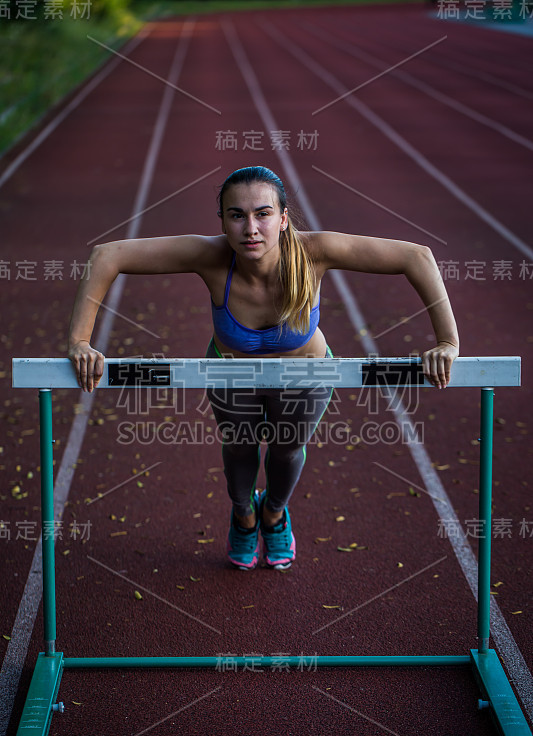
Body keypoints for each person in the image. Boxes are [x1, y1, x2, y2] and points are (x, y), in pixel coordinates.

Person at [68, 165, 459, 572]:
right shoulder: (211, 257)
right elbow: (106, 256)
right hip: (231, 374)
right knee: (240, 447)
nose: (250, 228)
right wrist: (80, 341)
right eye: (236, 215)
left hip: (305, 375)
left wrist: (448, 342)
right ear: (222, 221)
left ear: (283, 218)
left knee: (287, 447)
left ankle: (273, 512)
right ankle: (243, 514)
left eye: (263, 213)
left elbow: (418, 257)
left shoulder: (313, 252)